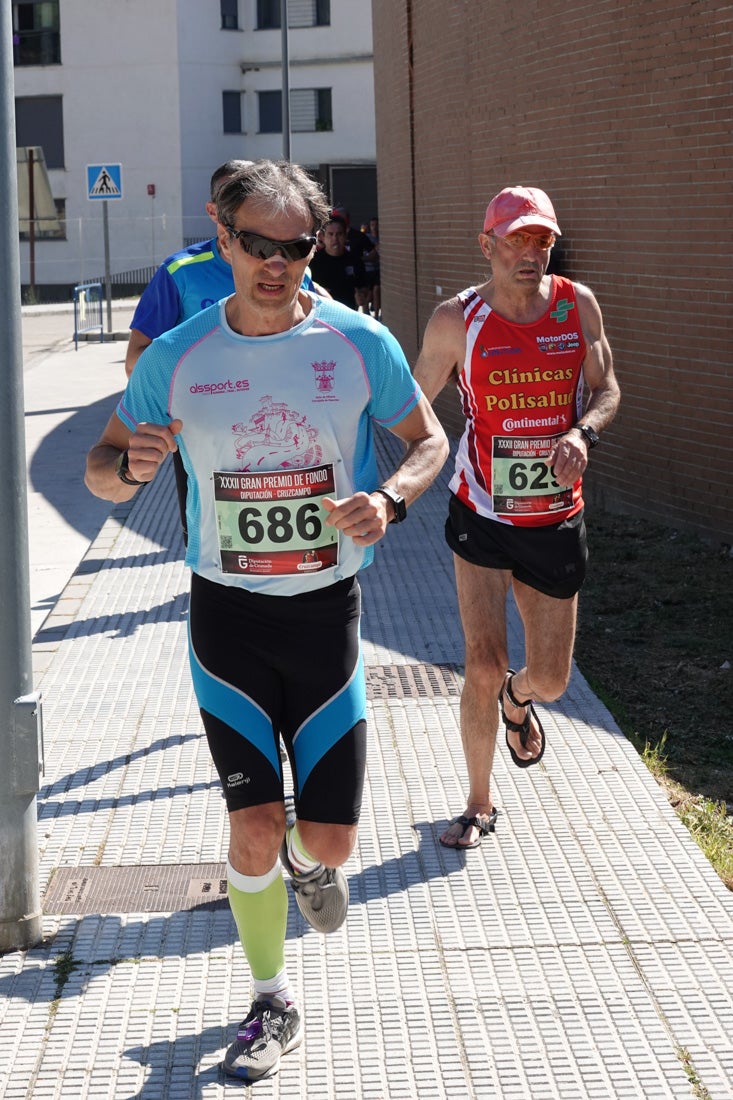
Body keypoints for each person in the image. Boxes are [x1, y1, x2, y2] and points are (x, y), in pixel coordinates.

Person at [85, 159, 448, 1081]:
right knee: (248, 825)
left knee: (325, 842)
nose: (276, 263)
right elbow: (100, 464)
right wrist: (131, 471)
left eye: (295, 247)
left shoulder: (359, 343)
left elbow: (427, 440)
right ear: (222, 234)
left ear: (312, 246)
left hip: (327, 616)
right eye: (257, 245)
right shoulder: (180, 355)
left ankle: (304, 863)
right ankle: (269, 999)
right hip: (227, 620)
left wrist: (394, 499)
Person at [413, 185, 620, 850]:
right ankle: (478, 801)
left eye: (541, 240)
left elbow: (606, 387)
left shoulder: (575, 305)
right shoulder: (456, 320)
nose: (530, 251)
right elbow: (411, 405)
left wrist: (582, 433)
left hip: (555, 516)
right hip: (480, 511)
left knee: (552, 679)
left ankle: (517, 700)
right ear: (487, 245)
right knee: (480, 662)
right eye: (516, 239)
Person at [309, 216, 367, 309]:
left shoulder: (355, 261)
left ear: (345, 236)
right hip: (321, 315)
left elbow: (363, 286)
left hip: (348, 314)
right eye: (331, 234)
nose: (335, 239)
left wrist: (361, 296)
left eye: (339, 234)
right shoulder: (313, 261)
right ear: (323, 237)